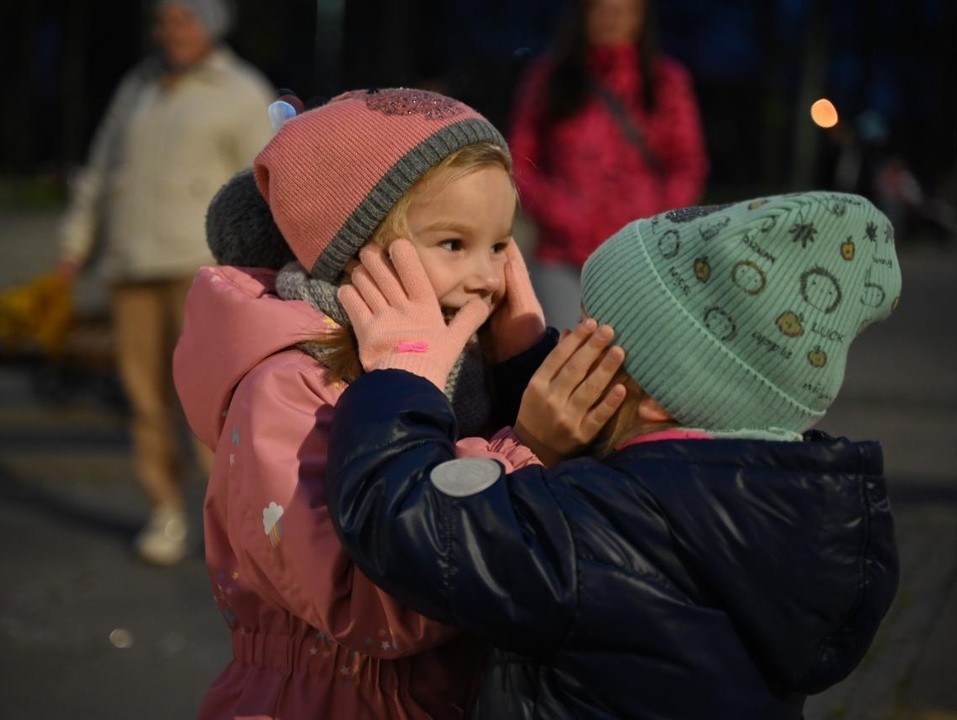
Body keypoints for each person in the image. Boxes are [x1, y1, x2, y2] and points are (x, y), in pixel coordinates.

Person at [324, 191, 902, 718]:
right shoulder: (803, 516)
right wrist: (526, 360)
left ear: (659, 393)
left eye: (589, 332)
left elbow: (408, 522)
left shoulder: (599, 533)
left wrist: (405, 376)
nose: (570, 341)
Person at [172, 87, 624, 720]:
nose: (490, 279)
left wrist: (524, 366)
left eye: (499, 245)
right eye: (452, 245)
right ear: (353, 251)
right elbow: (375, 608)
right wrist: (527, 450)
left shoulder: (470, 363)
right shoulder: (289, 388)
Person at [56, 0, 275, 564]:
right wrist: (75, 245)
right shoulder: (140, 84)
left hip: (200, 268)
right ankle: (166, 512)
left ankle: (228, 519)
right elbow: (102, 170)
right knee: (144, 399)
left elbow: (264, 181)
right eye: (164, 20)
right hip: (132, 264)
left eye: (185, 19)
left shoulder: (241, 90)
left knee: (209, 402)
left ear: (211, 26)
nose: (171, 31)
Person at [507, 0, 709, 328]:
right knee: (564, 356)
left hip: (640, 257)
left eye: (626, 10)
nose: (614, 19)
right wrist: (561, 211)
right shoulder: (549, 78)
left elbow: (687, 165)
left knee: (635, 365)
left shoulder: (665, 82)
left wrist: (653, 219)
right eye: (603, 9)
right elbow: (520, 161)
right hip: (562, 255)